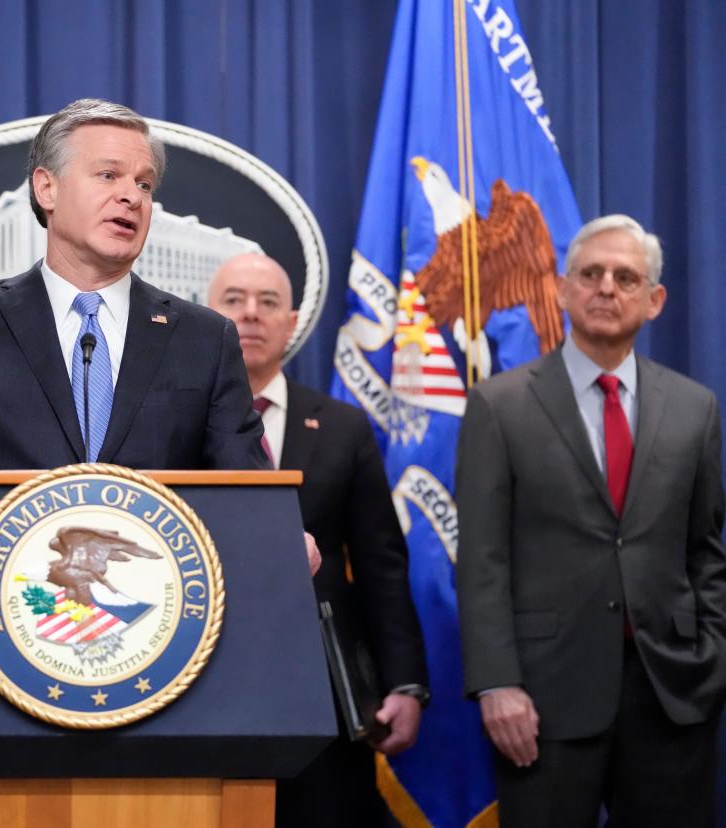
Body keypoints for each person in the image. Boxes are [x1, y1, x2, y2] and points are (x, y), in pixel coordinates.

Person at [0, 98, 269, 473]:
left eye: (144, 183)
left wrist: (281, 540)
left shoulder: (204, 338)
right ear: (46, 188)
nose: (132, 197)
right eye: (108, 175)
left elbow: (245, 489)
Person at [456, 215, 726, 826]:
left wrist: (713, 659)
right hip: (543, 702)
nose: (607, 287)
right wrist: (497, 684)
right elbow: (481, 562)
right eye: (592, 273)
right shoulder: (499, 406)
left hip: (672, 695)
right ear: (560, 288)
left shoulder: (695, 409)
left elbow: (705, 551)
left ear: (654, 300)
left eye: (626, 277)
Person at [208, 253, 429, 827]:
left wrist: (405, 683)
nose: (251, 314)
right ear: (208, 315)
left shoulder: (341, 426)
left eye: (268, 302)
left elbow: (382, 565)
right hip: (204, 683)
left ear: (294, 319)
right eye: (233, 300)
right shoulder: (173, 420)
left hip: (325, 689)